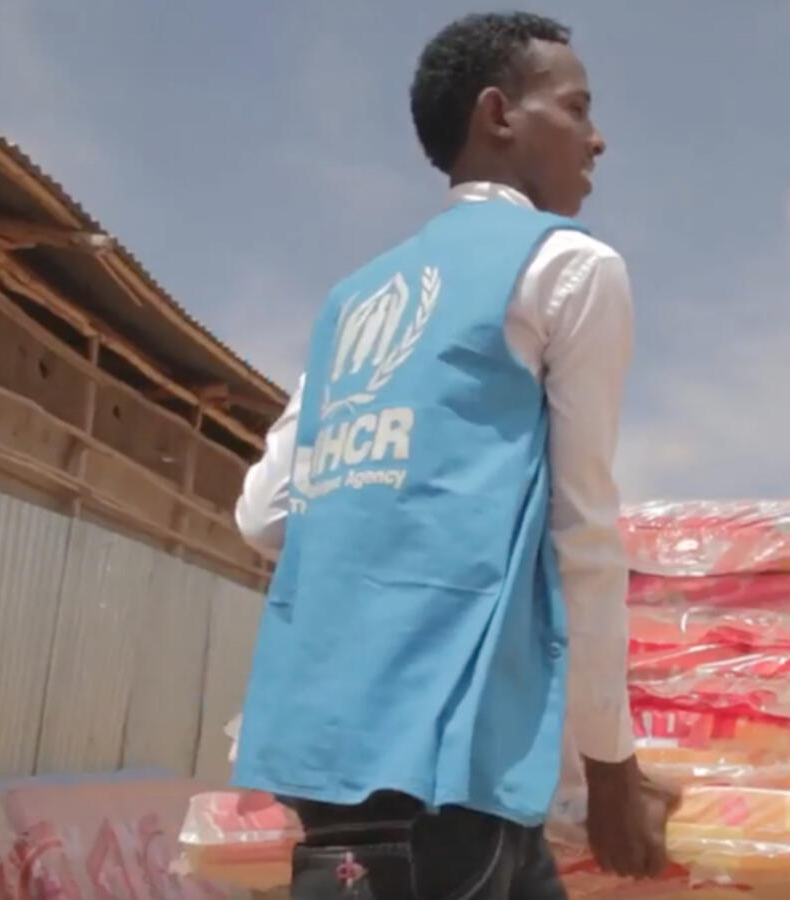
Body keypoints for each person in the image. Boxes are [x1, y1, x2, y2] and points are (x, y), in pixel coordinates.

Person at [231, 12, 671, 899]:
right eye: (577, 108)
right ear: (499, 114)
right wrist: (612, 770)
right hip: (449, 766)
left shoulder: (353, 300)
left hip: (327, 753)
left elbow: (264, 514)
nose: (597, 137)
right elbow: (581, 533)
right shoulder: (569, 267)